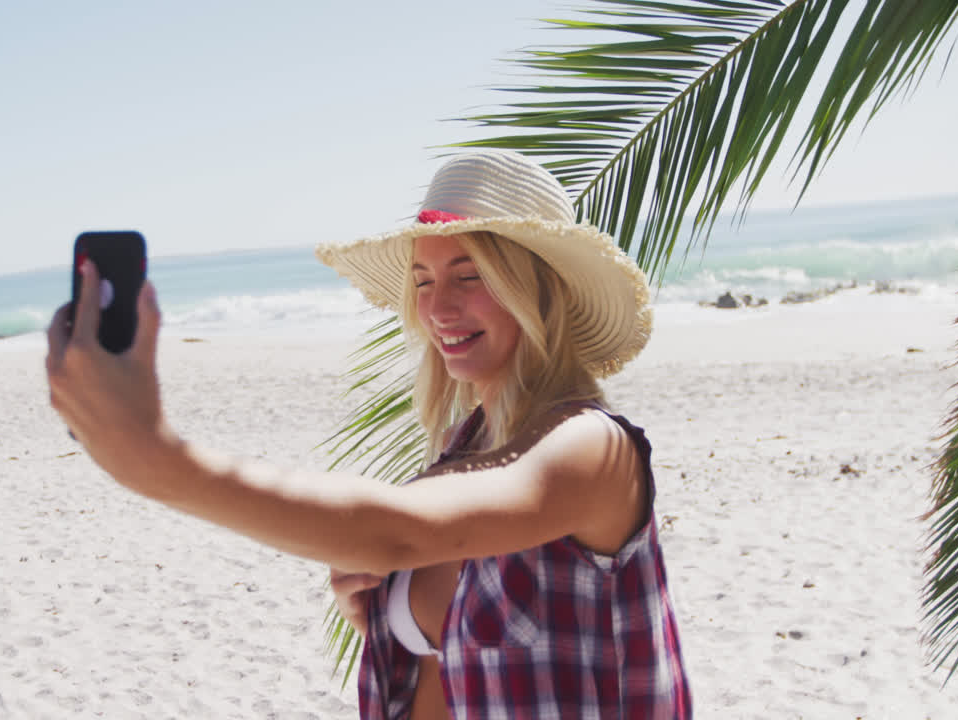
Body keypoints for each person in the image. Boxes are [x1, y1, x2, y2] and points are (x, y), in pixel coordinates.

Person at [46, 149, 692, 718]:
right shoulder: (464, 452)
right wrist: (381, 615)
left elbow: (402, 530)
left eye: (469, 276)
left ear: (540, 292)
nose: (439, 308)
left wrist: (158, 462)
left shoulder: (595, 449)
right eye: (423, 281)